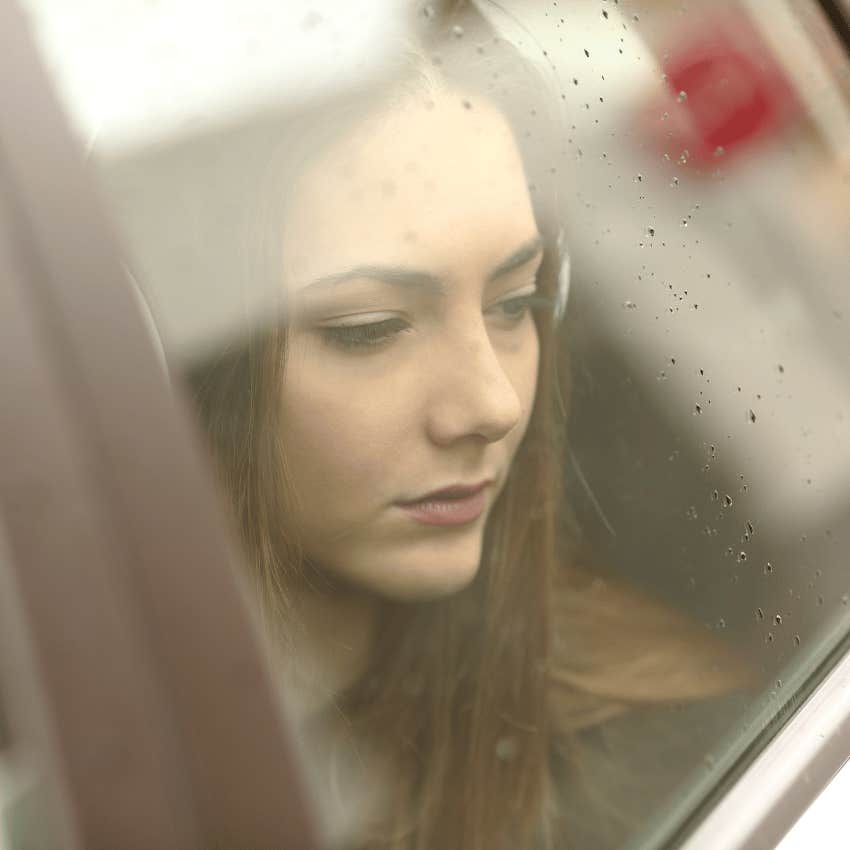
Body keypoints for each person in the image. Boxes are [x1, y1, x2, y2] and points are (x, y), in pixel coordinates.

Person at [183, 3, 749, 848]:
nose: (494, 404)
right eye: (370, 328)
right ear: (188, 370)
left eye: (516, 304)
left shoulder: (666, 764)